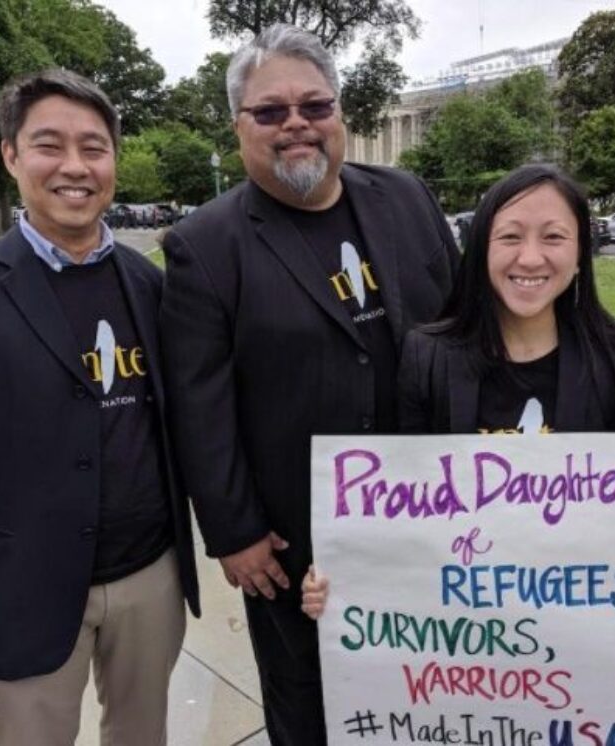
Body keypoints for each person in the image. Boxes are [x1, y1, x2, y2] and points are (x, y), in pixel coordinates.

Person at [159, 23, 458, 745]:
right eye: (270, 112)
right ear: (241, 128)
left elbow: (464, 330)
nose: (296, 123)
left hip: (434, 522)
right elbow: (200, 402)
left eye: (315, 106)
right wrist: (234, 532)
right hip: (294, 542)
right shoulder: (205, 244)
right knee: (309, 707)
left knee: (435, 691)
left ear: (340, 115)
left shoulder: (406, 197)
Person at [0, 68, 200, 746]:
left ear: (114, 160)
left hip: (150, 575)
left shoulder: (150, 286)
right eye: (49, 145)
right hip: (22, 590)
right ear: (10, 154)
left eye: (94, 147)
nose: (75, 167)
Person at [302, 164, 615, 652]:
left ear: (580, 252)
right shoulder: (426, 354)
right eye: (509, 236)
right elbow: (394, 505)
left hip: (571, 636)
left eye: (553, 237)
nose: (530, 257)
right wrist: (347, 579)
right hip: (459, 637)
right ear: (481, 246)